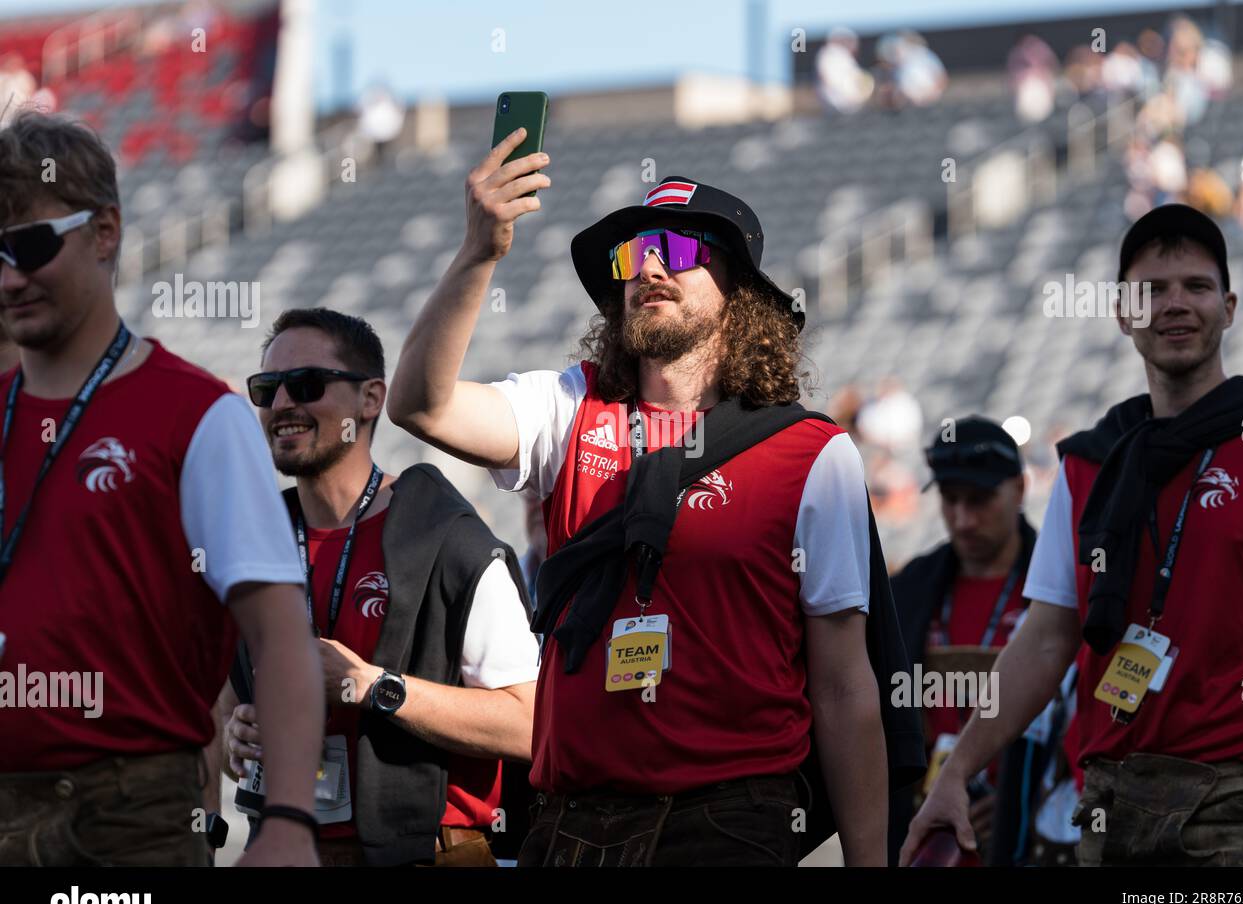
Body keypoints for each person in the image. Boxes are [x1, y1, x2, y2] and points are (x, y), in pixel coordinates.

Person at [388, 130, 924, 866]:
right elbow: (421, 406)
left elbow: (841, 685)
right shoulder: (572, 406)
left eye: (676, 250)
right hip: (572, 823)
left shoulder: (811, 453)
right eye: (632, 256)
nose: (647, 268)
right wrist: (480, 252)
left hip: (730, 822)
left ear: (739, 295)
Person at [902, 204, 1243, 867]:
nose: (1175, 304)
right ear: (1123, 314)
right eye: (1152, 290)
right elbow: (1050, 632)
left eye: (1197, 287)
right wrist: (954, 769)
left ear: (1229, 307)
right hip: (1113, 810)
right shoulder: (1089, 463)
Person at [0, 110, 323, 866]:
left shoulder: (196, 415)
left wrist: (288, 821)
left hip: (129, 818)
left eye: (32, 244)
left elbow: (278, 631)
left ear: (106, 232)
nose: (10, 276)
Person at [222, 307, 540, 866]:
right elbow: (226, 718)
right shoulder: (249, 547)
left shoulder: (448, 539)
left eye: (306, 384)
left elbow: (530, 724)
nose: (282, 405)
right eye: (266, 389)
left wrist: (373, 687)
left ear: (371, 400)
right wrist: (236, 738)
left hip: (431, 855)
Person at [888, 417, 1040, 865]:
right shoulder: (909, 589)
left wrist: (1025, 798)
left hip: (1029, 840)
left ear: (1019, 488)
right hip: (926, 835)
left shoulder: (1060, 589)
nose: (962, 519)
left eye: (979, 500)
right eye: (950, 500)